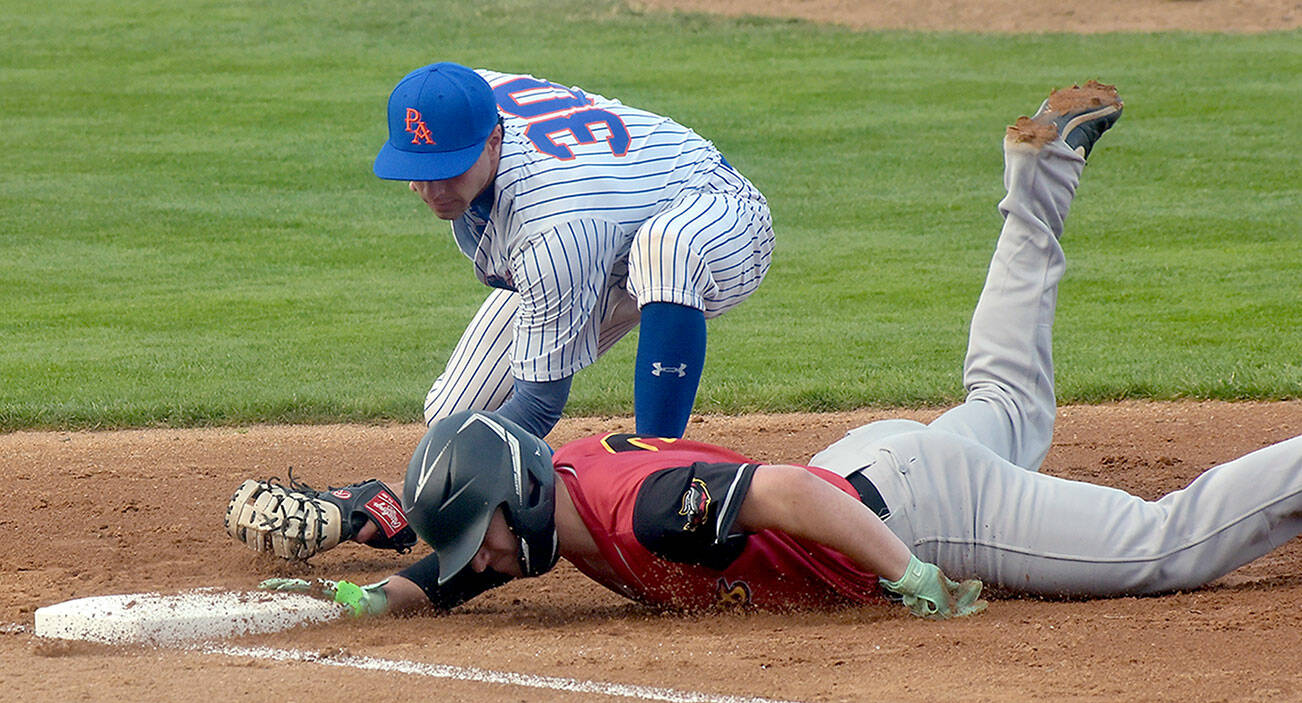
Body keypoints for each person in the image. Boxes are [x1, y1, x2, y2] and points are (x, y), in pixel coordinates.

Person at [258, 81, 1301, 620]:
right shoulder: (543, 503)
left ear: (516, 502)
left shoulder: (635, 507)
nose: (483, 564)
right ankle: (1041, 183)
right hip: (881, 463)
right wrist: (361, 595)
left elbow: (788, 496)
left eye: (480, 541)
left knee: (1162, 547)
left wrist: (911, 575)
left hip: (909, 510)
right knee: (1007, 409)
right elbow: (455, 574)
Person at [376, 62, 774, 440]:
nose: (432, 189)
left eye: (449, 169)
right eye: (419, 169)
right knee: (453, 418)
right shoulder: (453, 98)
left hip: (716, 209)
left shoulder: (551, 223)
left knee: (664, 249)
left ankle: (657, 458)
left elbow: (538, 405)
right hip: (599, 233)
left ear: (494, 141)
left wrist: (453, 463)